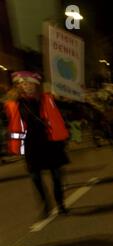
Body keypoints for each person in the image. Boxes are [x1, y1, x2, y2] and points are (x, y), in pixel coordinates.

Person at [3, 71, 70, 218]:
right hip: (31, 145)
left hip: (50, 142)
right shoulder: (14, 104)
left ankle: (60, 204)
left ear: (36, 85)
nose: (25, 86)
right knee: (35, 178)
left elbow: (68, 107)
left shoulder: (48, 99)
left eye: (28, 83)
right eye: (22, 84)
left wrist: (69, 97)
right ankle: (46, 205)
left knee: (57, 176)